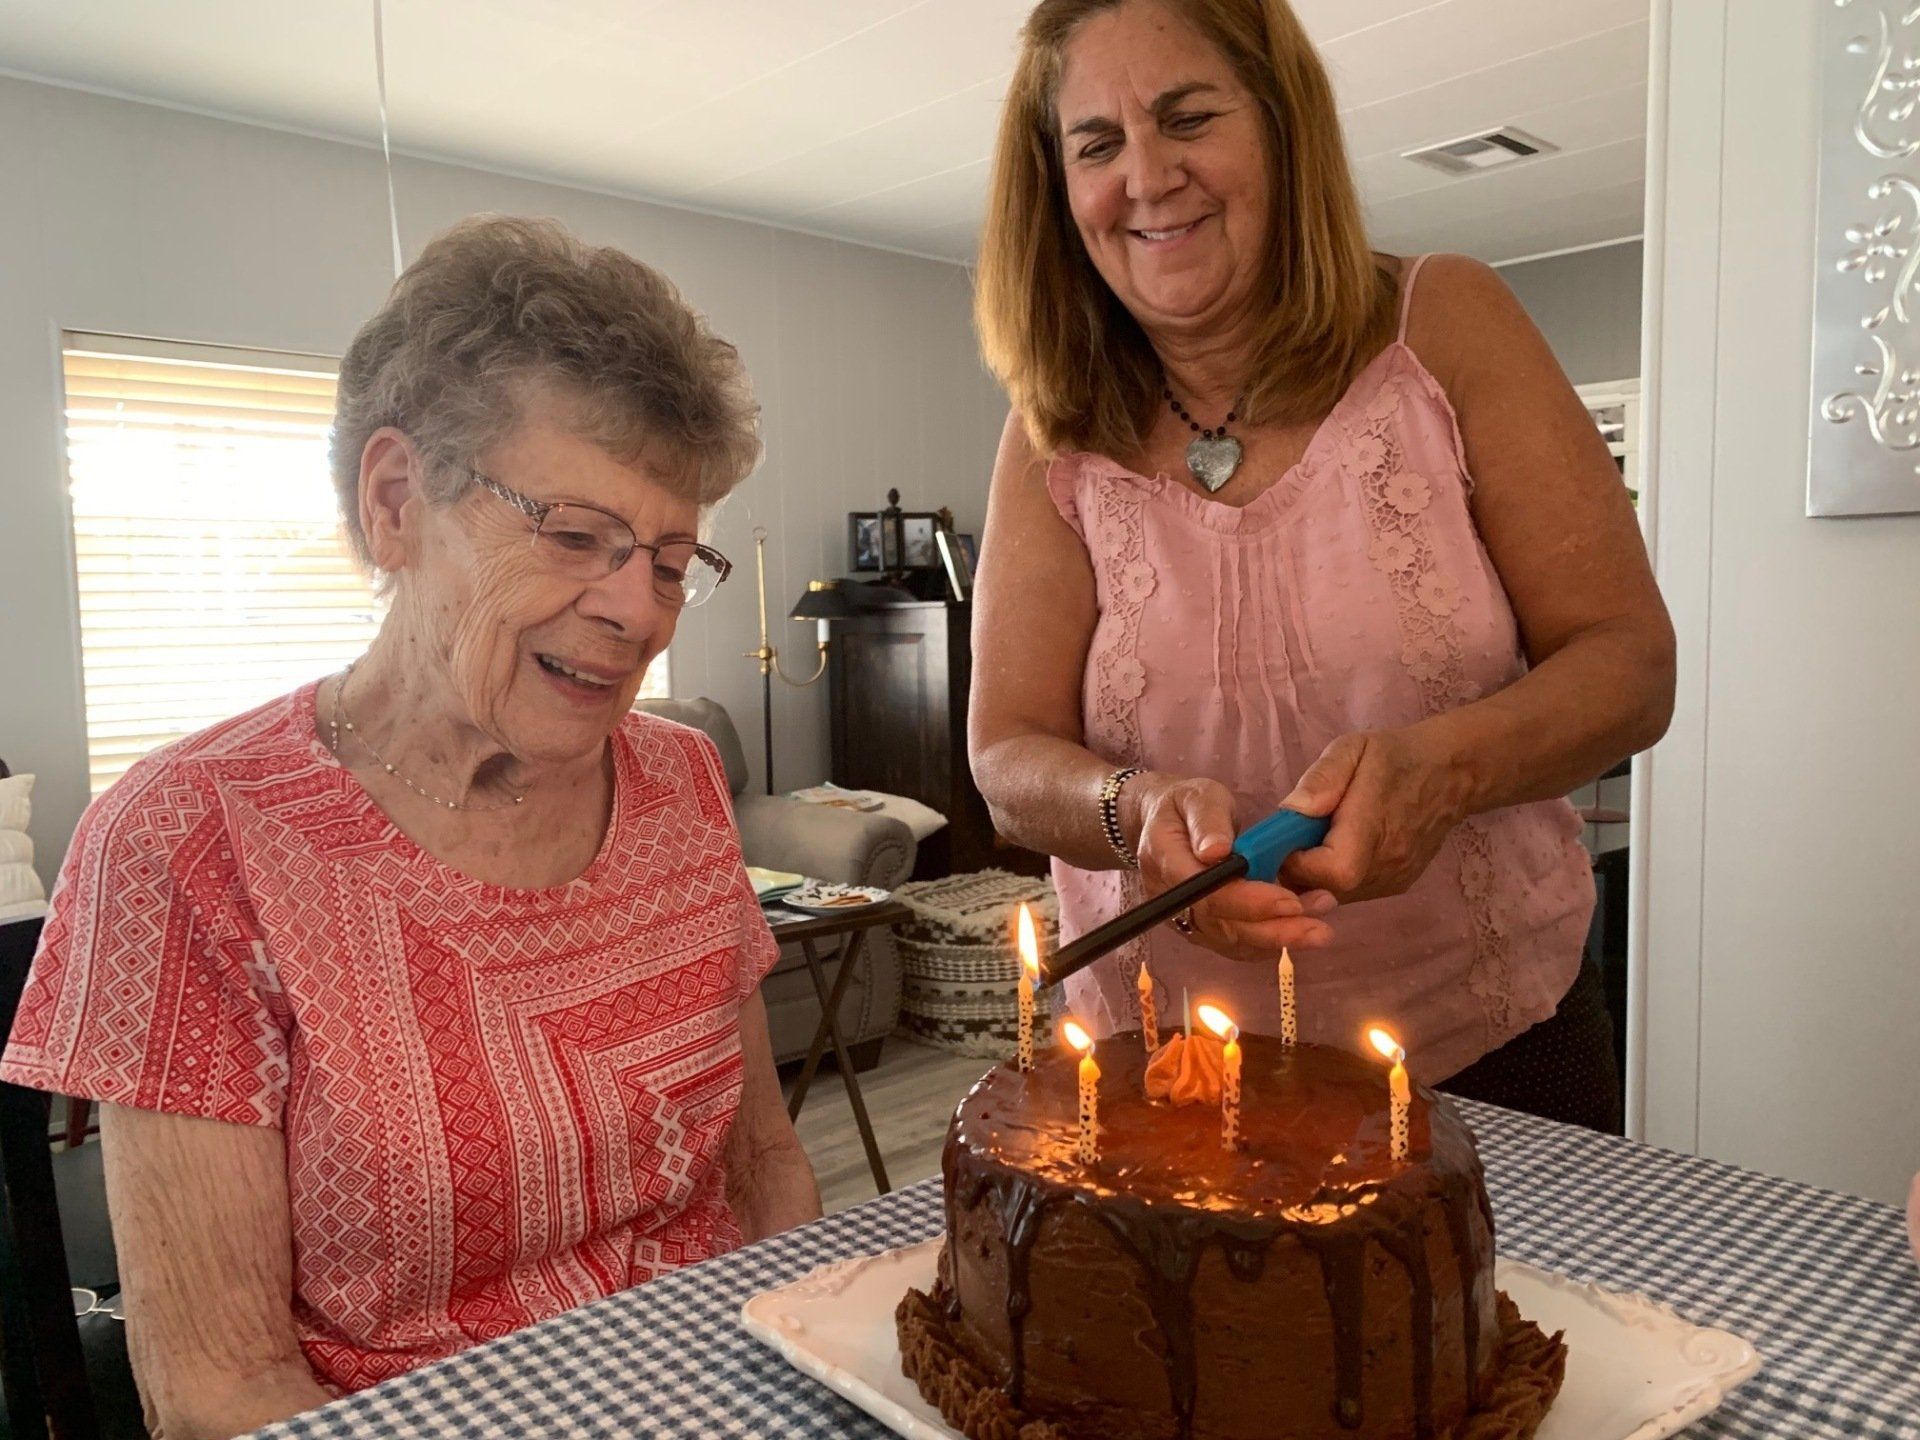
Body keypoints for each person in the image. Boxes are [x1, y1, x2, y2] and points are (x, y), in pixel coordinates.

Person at [0, 216, 820, 1438]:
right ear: (394, 502)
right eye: (576, 535)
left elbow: (762, 1169)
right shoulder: (186, 842)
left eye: (667, 558)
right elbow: (220, 1397)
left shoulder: (682, 781)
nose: (638, 612)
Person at [968, 0, 1675, 1131]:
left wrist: (1444, 770)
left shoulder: (1446, 323)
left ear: (1283, 130)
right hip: (1158, 1066)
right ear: (1057, 190)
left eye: (1188, 117)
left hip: (1488, 1055)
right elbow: (1005, 757)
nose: (1146, 178)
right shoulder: (1050, 425)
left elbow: (1632, 667)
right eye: (1096, 145)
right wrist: (1132, 813)